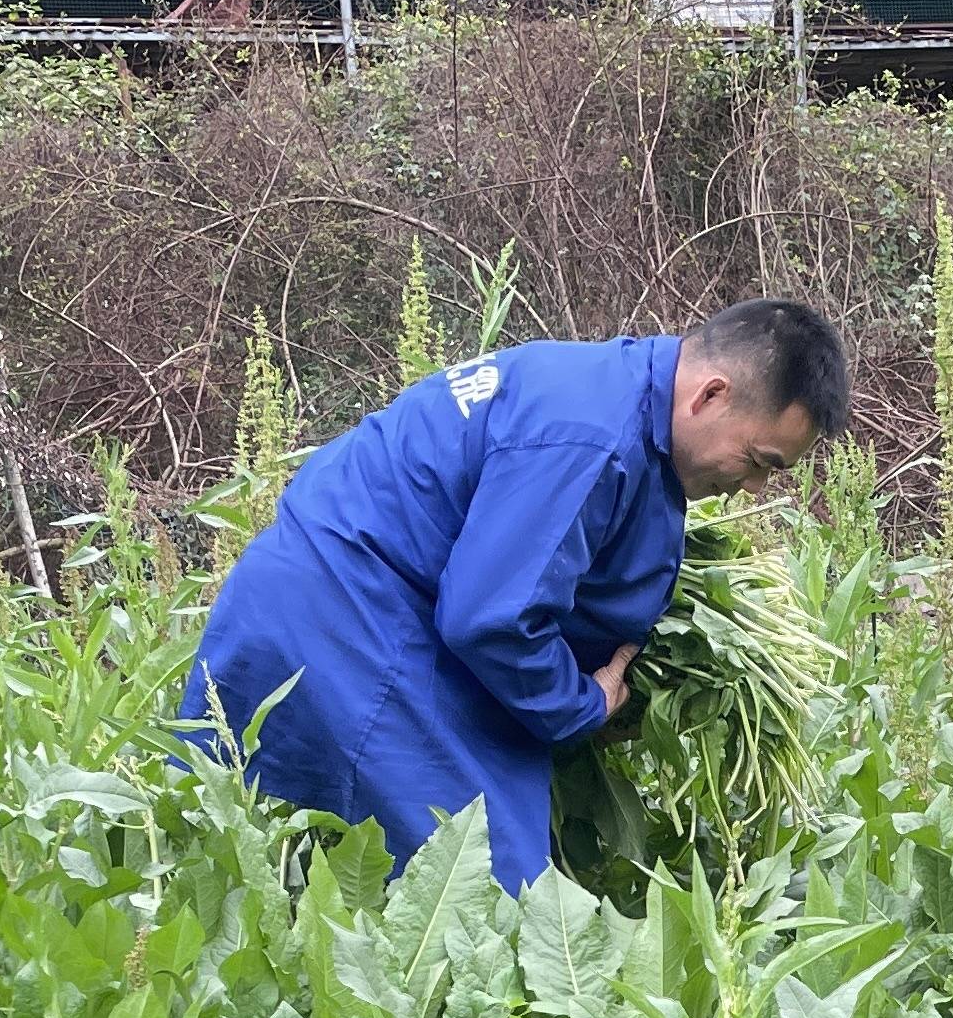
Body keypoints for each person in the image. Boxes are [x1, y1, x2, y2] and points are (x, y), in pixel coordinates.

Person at [184, 297, 849, 897]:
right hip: (350, 618)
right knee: (481, 906)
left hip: (332, 598)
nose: (754, 489)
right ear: (710, 395)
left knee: (290, 873)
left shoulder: (609, 389)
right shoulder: (588, 437)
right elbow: (491, 618)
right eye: (761, 461)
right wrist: (581, 703)